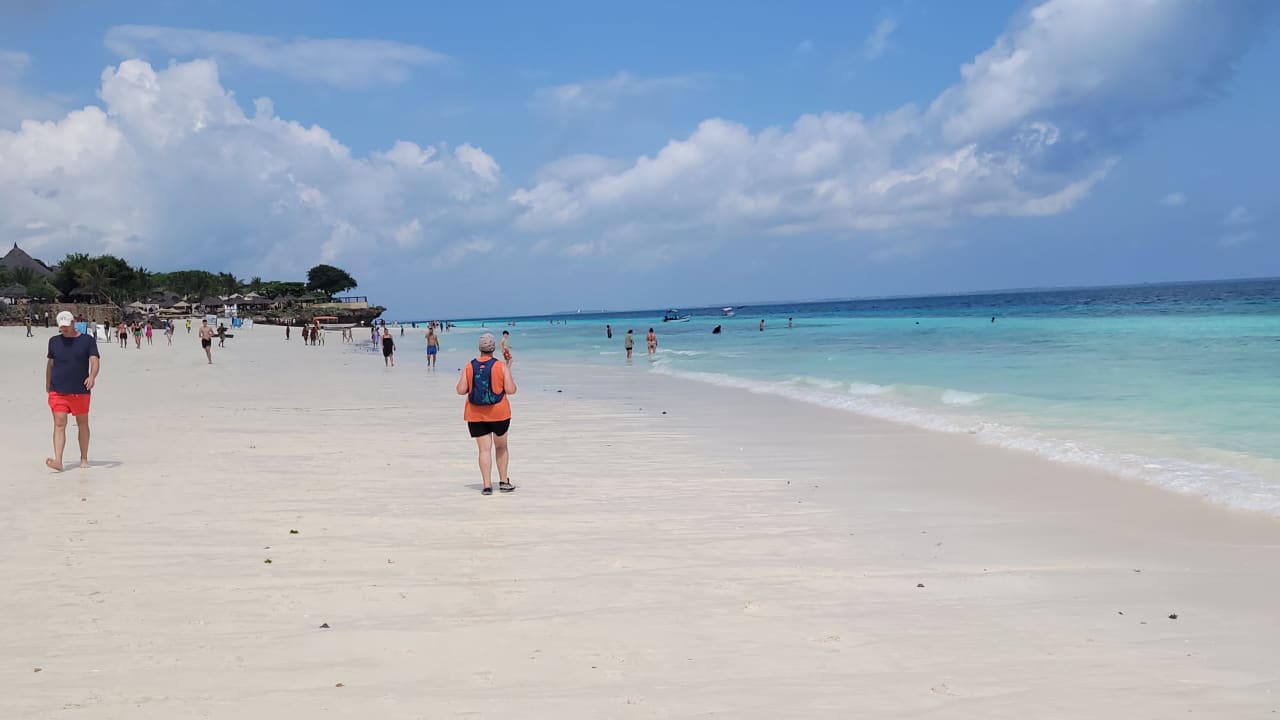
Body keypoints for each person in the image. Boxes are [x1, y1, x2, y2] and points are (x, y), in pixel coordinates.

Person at [456, 333, 516, 495]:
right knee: (501, 447)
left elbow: (461, 390)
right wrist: (508, 370)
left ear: (479, 348)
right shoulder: (500, 366)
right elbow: (511, 390)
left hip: (475, 414)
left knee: (484, 450)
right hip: (499, 413)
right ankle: (503, 482)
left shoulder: (469, 366)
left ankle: (487, 485)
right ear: (493, 348)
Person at [45, 311, 100, 472]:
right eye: (61, 328)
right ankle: (58, 461)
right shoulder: (54, 341)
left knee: (82, 424)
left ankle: (83, 458)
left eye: (67, 327)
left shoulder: (87, 340)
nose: (64, 330)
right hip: (58, 390)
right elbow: (50, 364)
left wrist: (92, 376)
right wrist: (47, 383)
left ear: (73, 323)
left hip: (80, 390)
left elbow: (95, 361)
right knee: (59, 423)